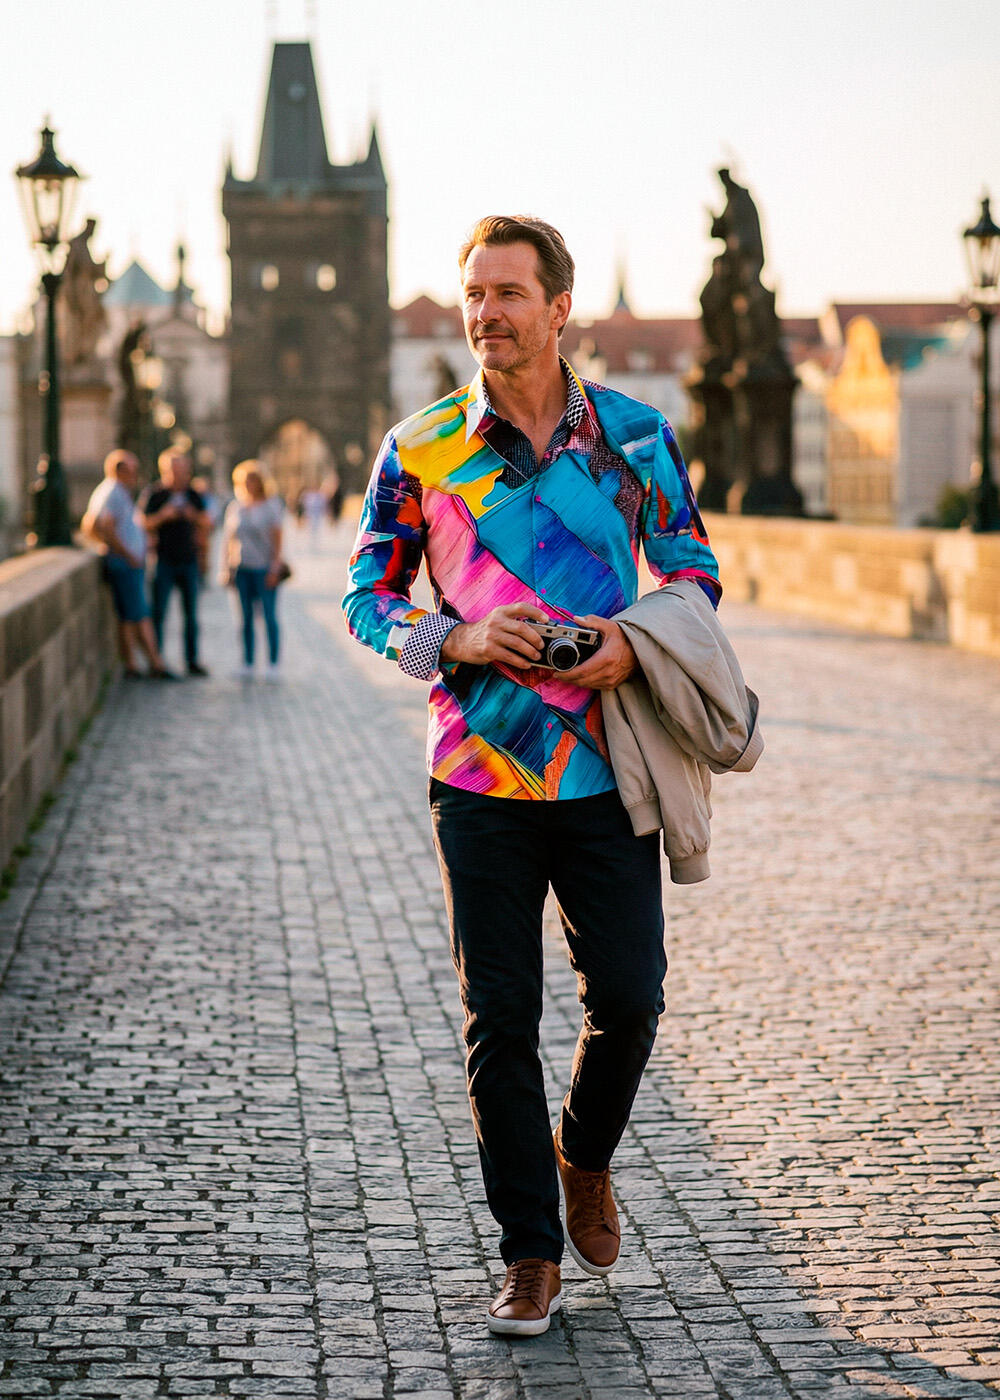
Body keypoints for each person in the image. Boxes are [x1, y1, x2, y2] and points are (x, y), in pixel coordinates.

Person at [343, 217, 722, 1336]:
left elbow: (692, 569)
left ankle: (583, 1155)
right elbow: (369, 593)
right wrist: (449, 641)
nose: (486, 312)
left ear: (559, 309)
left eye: (508, 292)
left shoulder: (637, 437)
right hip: (476, 773)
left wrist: (632, 642)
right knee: (497, 1017)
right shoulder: (418, 447)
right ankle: (527, 1253)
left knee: (632, 1000)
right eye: (474, 293)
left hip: (608, 766)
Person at [81, 449, 174, 679]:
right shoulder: (113, 491)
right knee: (140, 614)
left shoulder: (116, 491)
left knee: (129, 616)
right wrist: (124, 551)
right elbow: (97, 524)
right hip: (125, 563)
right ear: (120, 470)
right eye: (133, 469)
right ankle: (155, 663)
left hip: (126, 561)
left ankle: (134, 664)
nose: (136, 474)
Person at [139, 449, 211, 677]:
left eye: (184, 470)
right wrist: (163, 516)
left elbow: (207, 523)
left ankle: (191, 661)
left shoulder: (193, 495)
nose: (181, 475)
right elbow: (142, 523)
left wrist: (193, 516)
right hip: (163, 560)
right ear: (165, 471)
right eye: (176, 470)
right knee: (159, 612)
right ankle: (157, 661)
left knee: (191, 615)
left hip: (188, 559)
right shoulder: (155, 494)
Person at [220, 460, 285, 679]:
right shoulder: (235, 507)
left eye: (253, 481)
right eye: (244, 481)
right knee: (244, 618)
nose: (248, 485)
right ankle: (247, 662)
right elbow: (229, 540)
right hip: (241, 569)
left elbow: (277, 540)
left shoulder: (271, 506)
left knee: (269, 617)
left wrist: (274, 568)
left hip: (264, 569)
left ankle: (273, 664)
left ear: (260, 483)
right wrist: (226, 567)